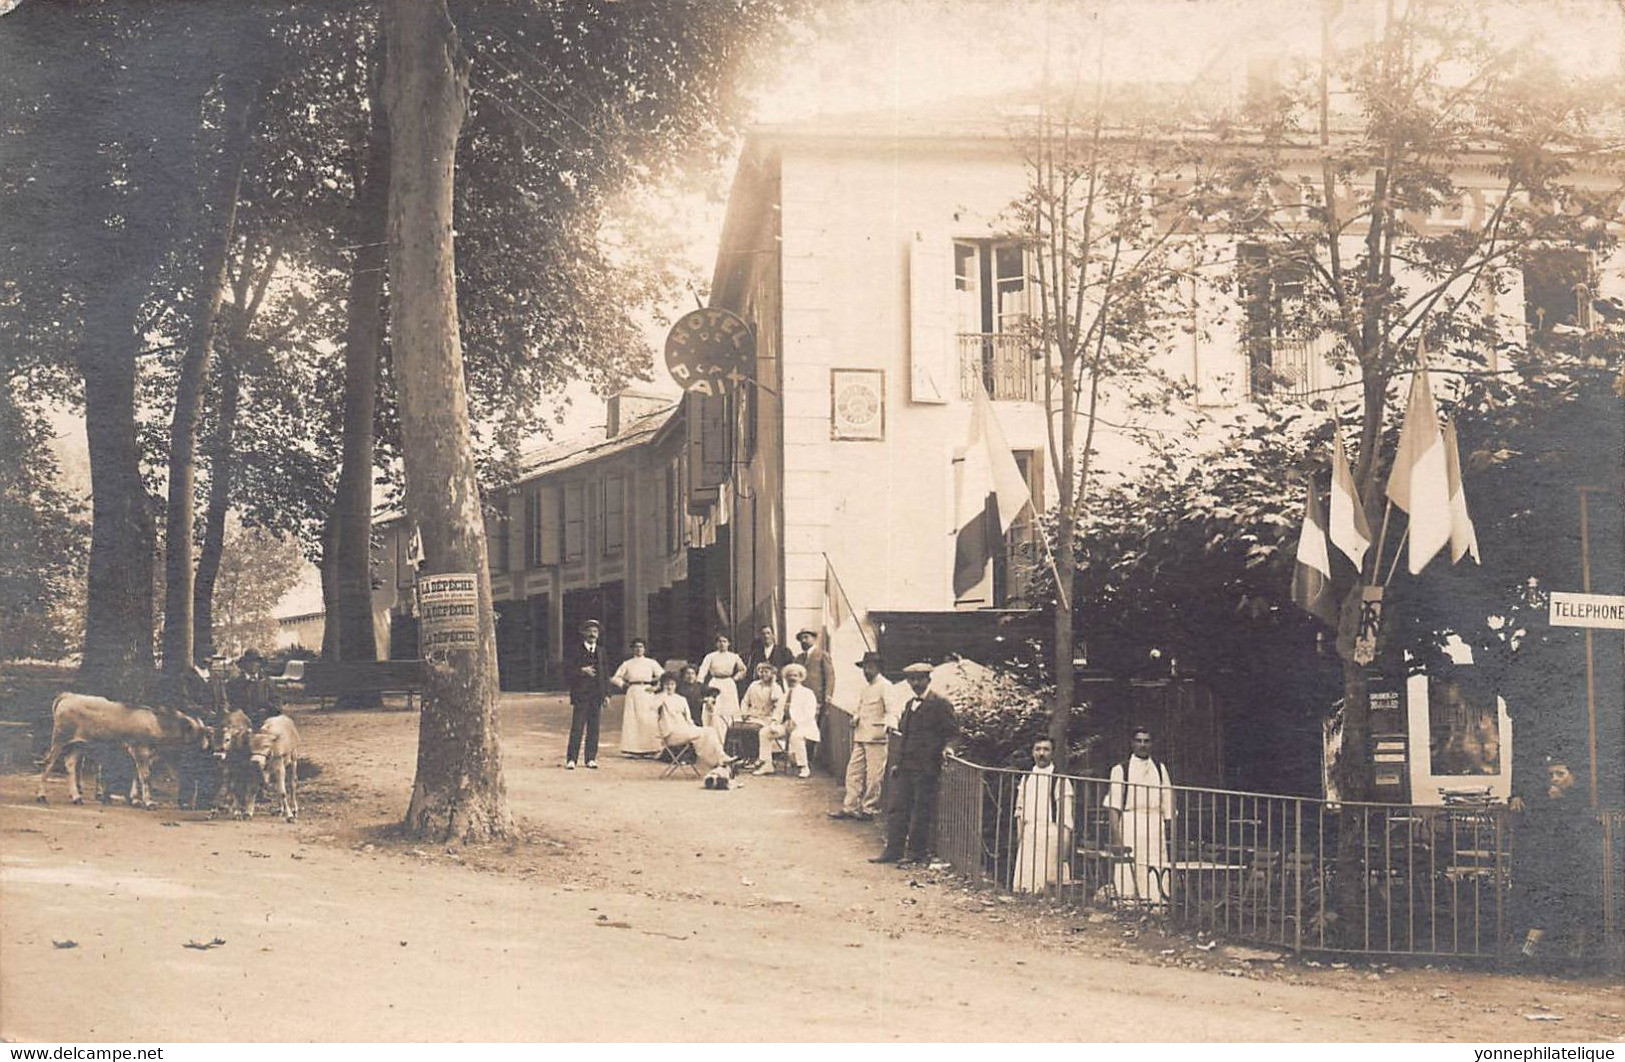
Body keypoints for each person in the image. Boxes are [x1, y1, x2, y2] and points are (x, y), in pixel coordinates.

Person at [1512, 753, 1602, 968]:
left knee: (1578, 904)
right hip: (1553, 861)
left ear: (1573, 776)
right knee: (1545, 898)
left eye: (1560, 774)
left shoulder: (1583, 800)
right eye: (1551, 774)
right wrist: (1517, 798)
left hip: (1579, 862)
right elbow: (1538, 827)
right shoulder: (1548, 800)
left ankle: (1577, 953)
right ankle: (1529, 949)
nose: (1554, 778)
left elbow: (1582, 831)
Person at [872, 662, 957, 866]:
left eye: (920, 679)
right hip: (906, 766)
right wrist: (898, 763)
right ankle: (893, 850)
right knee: (897, 808)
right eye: (912, 679)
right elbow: (905, 735)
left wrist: (949, 748)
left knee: (921, 810)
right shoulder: (910, 703)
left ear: (928, 679)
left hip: (927, 767)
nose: (916, 683)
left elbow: (953, 733)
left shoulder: (940, 703)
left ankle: (916, 853)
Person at [1104, 727, 1175, 908]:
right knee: (1129, 867)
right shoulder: (1121, 769)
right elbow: (1114, 805)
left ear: (1152, 744)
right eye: (1139, 741)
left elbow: (1168, 801)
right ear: (1132, 743)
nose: (1142, 745)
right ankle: (1126, 905)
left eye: (1146, 741)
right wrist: (1117, 837)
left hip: (1154, 825)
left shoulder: (1160, 768)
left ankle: (1158, 905)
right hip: (1130, 823)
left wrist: (1169, 830)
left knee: (1156, 865)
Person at [830, 651, 893, 821]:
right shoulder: (865, 688)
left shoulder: (885, 686)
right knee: (853, 772)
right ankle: (850, 806)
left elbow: (891, 711)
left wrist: (887, 726)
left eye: (870, 668)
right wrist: (856, 717)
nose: (866, 671)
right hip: (861, 735)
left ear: (878, 668)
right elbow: (861, 708)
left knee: (874, 776)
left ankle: (868, 808)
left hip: (876, 737)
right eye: (864, 668)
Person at [1012, 737, 1075, 894]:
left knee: (1045, 887)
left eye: (1046, 750)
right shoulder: (1026, 778)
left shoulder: (1060, 780)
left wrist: (1064, 852)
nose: (1041, 753)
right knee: (1025, 887)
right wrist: (1020, 837)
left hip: (1051, 834)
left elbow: (1066, 819)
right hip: (1029, 833)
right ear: (1032, 752)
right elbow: (1019, 810)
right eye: (1038, 749)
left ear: (1052, 753)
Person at [651, 671, 733, 771]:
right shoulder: (659, 698)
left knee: (709, 731)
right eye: (667, 684)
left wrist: (694, 728)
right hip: (670, 734)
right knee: (705, 733)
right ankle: (720, 760)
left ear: (676, 685)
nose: (669, 687)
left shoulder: (681, 699)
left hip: (684, 730)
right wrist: (663, 693)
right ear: (663, 685)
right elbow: (652, 708)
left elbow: (688, 719)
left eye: (672, 684)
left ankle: (719, 759)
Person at [565, 619, 610, 770]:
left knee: (594, 728)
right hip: (581, 695)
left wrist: (607, 695)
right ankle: (571, 759)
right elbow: (566, 671)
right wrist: (581, 671)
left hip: (596, 695)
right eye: (589, 631)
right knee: (577, 727)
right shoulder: (575, 650)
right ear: (584, 633)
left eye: (595, 631)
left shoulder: (601, 651)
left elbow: (605, 674)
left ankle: (590, 758)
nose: (592, 634)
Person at [763, 662, 820, 779]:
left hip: (804, 726)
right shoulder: (785, 695)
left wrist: (796, 722)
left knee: (796, 736)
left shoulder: (807, 693)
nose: (792, 678)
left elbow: (810, 714)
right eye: (789, 676)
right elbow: (778, 712)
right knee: (764, 732)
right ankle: (767, 764)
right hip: (786, 725)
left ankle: (804, 767)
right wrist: (774, 722)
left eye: (795, 676)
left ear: (800, 678)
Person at [610, 638, 664, 757]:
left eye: (641, 647)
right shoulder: (627, 663)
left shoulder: (651, 662)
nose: (639, 649)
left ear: (644, 649)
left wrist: (656, 688)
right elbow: (615, 678)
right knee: (633, 720)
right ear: (632, 649)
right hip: (633, 691)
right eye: (636, 647)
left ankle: (651, 748)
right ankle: (632, 749)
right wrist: (623, 685)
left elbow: (664, 676)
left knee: (648, 719)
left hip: (647, 691)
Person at [697, 632, 746, 741]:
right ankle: (714, 739)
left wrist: (735, 678)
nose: (722, 644)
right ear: (716, 644)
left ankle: (729, 740)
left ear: (729, 643)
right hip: (715, 684)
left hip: (729, 685)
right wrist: (699, 684)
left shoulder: (734, 656)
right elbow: (703, 670)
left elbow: (743, 670)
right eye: (719, 641)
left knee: (729, 711)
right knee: (714, 711)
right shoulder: (710, 656)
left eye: (724, 641)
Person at [739, 661, 787, 774]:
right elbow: (745, 701)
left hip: (767, 717)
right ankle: (749, 757)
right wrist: (744, 712)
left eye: (766, 671)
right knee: (742, 728)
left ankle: (760, 759)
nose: (763, 674)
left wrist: (775, 720)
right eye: (760, 671)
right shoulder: (753, 685)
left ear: (772, 673)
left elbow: (778, 706)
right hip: (752, 715)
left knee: (757, 730)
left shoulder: (776, 688)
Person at [226, 648, 281, 728]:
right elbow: (231, 703)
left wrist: (268, 710)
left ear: (260, 664)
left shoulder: (267, 682)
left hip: (265, 722)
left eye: (256, 662)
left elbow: (277, 702)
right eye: (249, 662)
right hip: (242, 722)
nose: (253, 665)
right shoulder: (235, 683)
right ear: (244, 665)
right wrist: (240, 713)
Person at [743, 624, 793, 698]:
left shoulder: (783, 651)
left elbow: (790, 670)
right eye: (763, 634)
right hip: (762, 689)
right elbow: (751, 672)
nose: (766, 636)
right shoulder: (756, 653)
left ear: (773, 635)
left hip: (778, 687)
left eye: (768, 633)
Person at [793, 628, 833, 710]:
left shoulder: (822, 655)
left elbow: (829, 676)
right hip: (801, 698)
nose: (803, 641)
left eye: (806, 637)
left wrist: (828, 695)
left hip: (817, 698)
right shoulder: (798, 659)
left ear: (814, 638)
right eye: (801, 639)